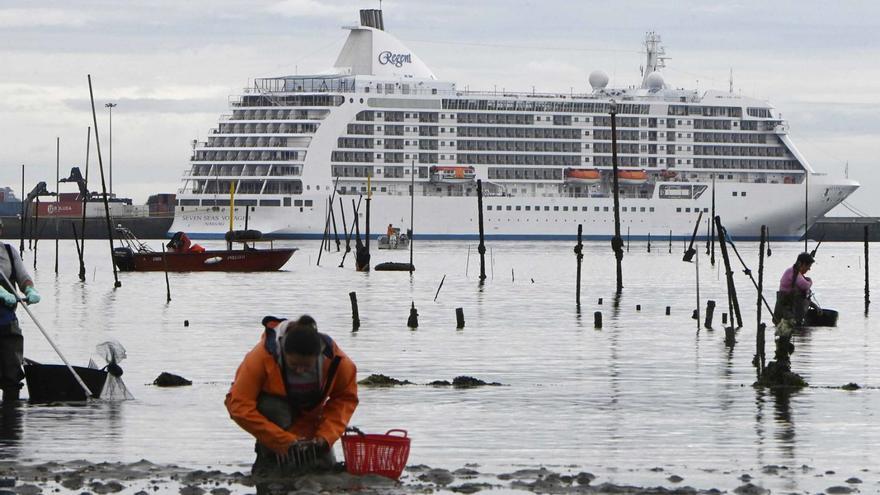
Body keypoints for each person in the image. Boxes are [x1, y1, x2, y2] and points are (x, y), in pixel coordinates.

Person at [225, 315, 358, 483]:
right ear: (283, 353)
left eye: (307, 366)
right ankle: (271, 458)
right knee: (273, 407)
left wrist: (325, 438)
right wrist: (285, 442)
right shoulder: (260, 357)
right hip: (275, 423)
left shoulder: (337, 361)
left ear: (318, 357)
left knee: (325, 471)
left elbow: (345, 399)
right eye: (294, 365)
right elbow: (239, 406)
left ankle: (305, 454)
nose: (301, 371)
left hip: (311, 422)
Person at [0, 219, 40, 403]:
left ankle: (11, 421)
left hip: (6, 322)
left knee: (12, 375)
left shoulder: (9, 251)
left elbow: (23, 277)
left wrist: (30, 290)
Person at [773, 252, 815, 325]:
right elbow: (805, 285)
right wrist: (810, 280)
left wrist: (816, 307)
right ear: (803, 264)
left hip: (789, 306)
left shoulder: (795, 272)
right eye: (808, 266)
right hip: (785, 308)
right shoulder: (792, 272)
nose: (809, 269)